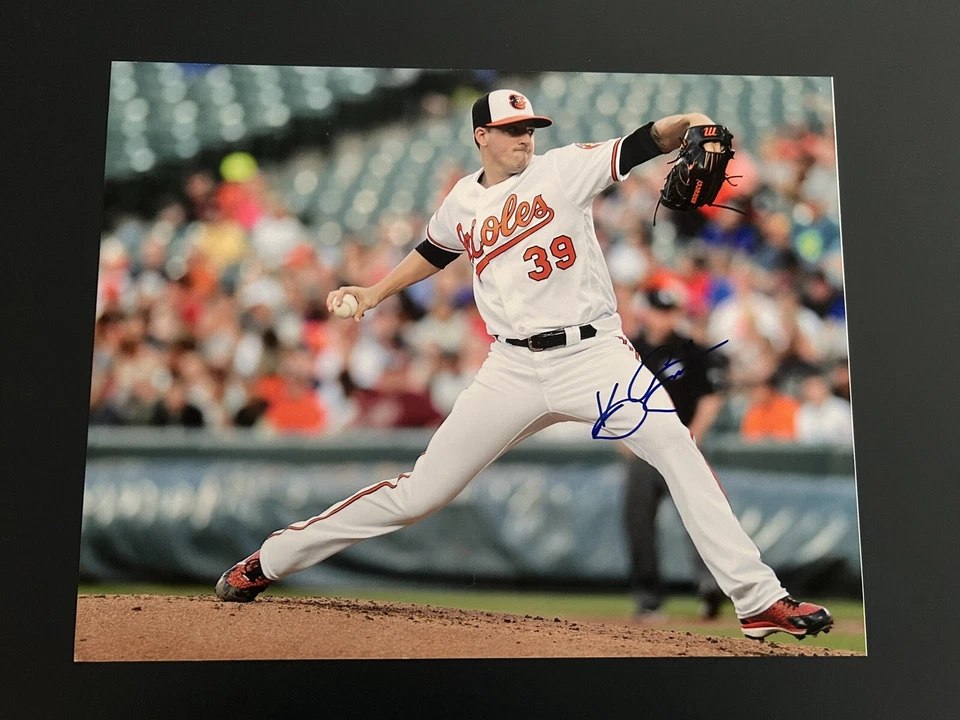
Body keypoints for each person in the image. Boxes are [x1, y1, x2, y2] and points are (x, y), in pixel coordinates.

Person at [215, 89, 833, 641]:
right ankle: (271, 560)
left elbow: (648, 139)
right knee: (420, 494)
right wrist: (375, 292)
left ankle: (758, 600)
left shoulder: (563, 169)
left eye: (530, 128)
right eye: (513, 130)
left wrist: (694, 120)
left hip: (594, 356)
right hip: (510, 366)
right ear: (481, 136)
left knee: (678, 450)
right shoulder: (461, 201)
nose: (524, 138)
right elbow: (433, 250)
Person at [621, 288, 728, 620]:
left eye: (670, 311)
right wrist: (620, 437)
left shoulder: (690, 349)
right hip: (644, 447)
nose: (665, 318)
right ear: (647, 312)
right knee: (639, 523)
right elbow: (611, 396)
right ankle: (648, 597)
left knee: (701, 517)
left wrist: (693, 434)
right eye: (659, 310)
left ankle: (711, 586)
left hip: (683, 444)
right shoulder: (629, 349)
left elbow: (712, 396)